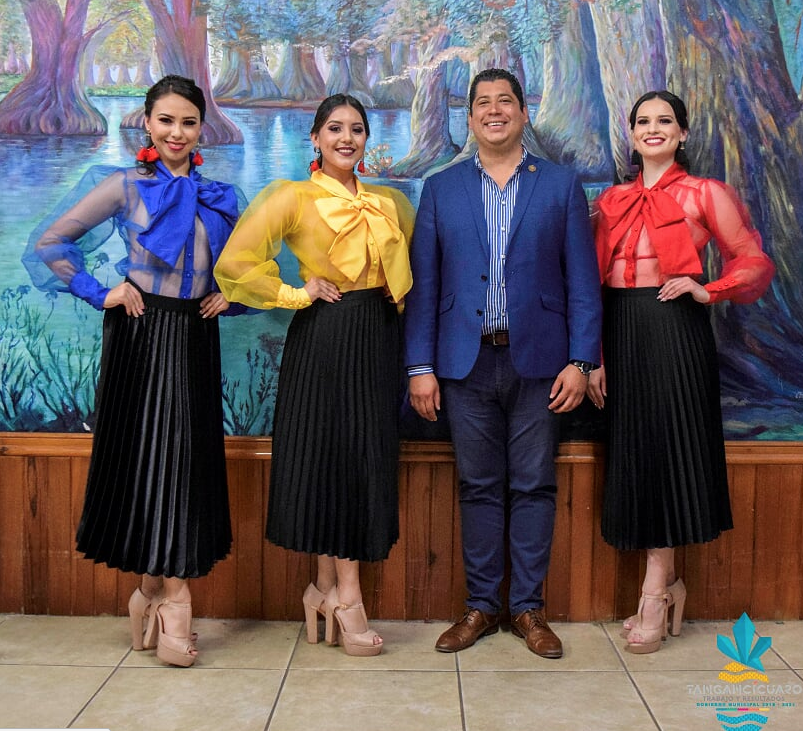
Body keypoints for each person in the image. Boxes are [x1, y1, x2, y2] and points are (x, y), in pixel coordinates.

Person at [23, 75, 246, 667]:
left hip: (195, 333)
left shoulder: (221, 195)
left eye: (188, 122)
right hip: (142, 332)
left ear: (202, 129)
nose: (177, 132)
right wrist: (102, 291)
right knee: (153, 458)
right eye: (166, 119)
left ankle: (147, 591)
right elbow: (50, 244)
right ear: (146, 123)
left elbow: (252, 266)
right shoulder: (125, 185)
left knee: (185, 462)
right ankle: (176, 600)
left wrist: (234, 293)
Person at [404, 68, 602, 658]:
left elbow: (583, 284)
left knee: (535, 485)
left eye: (505, 101)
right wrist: (419, 367)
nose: (494, 110)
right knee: (478, 486)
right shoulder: (440, 189)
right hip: (463, 365)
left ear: (523, 112)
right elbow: (424, 287)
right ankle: (482, 607)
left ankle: (528, 610)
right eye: (483, 103)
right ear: (469, 118)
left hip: (541, 365)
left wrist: (581, 360)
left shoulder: (561, 185)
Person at [214, 94, 413, 657]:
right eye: (335, 129)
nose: (346, 138)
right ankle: (348, 597)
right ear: (316, 138)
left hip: (378, 338)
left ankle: (323, 587)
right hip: (325, 336)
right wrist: (294, 293)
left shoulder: (393, 202)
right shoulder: (292, 196)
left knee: (359, 459)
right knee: (332, 458)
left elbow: (417, 271)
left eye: (357, 129)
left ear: (366, 139)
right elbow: (235, 265)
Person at [588, 90, 775, 654]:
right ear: (632, 134)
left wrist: (708, 288)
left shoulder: (704, 192)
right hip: (620, 330)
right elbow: (590, 285)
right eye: (643, 121)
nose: (653, 128)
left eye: (664, 120)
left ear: (682, 133)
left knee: (669, 451)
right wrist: (593, 358)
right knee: (637, 452)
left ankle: (654, 593)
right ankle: (667, 583)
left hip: (675, 329)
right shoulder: (611, 199)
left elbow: (754, 259)